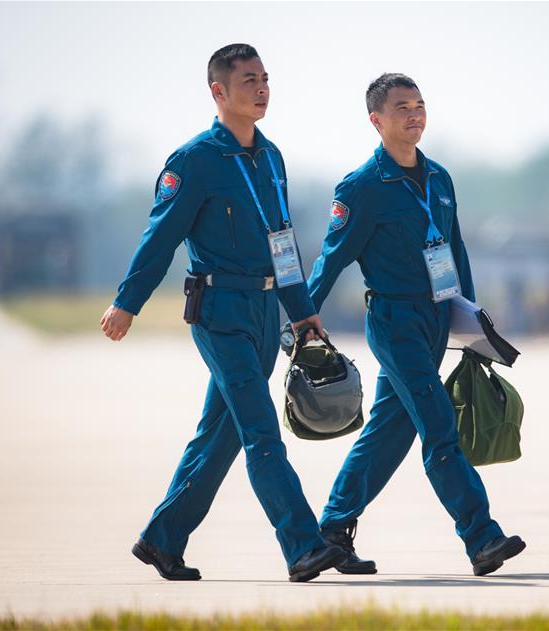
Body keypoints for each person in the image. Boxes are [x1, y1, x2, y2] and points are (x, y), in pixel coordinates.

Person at [99, 43, 344, 583]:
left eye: (265, 78)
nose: (261, 88)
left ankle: (162, 539)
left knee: (222, 433)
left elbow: (284, 242)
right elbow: (159, 238)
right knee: (260, 430)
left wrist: (302, 312)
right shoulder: (193, 162)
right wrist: (127, 302)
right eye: (249, 79)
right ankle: (302, 544)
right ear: (219, 91)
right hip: (219, 311)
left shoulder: (272, 157)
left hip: (263, 312)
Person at [306, 73, 525, 577]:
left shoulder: (441, 179)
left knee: (389, 429)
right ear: (376, 121)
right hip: (394, 320)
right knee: (439, 426)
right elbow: (332, 258)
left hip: (436, 315)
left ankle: (333, 530)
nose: (414, 114)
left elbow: (456, 247)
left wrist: (469, 317)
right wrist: (303, 315)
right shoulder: (361, 188)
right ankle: (481, 535)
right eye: (402, 107)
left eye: (420, 105)